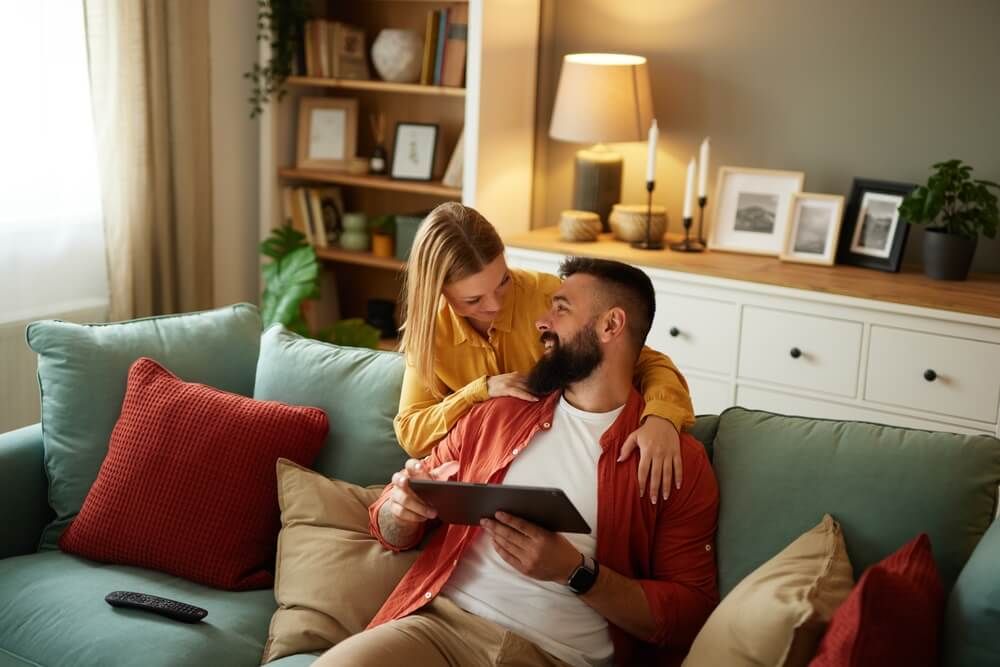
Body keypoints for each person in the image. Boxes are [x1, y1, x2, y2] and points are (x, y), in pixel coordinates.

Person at [314, 257, 720, 667]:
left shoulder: (671, 459)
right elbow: (387, 522)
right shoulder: (498, 413)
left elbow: (689, 614)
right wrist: (401, 511)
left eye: (561, 309)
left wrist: (575, 572)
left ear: (611, 325)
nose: (542, 321)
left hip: (556, 656)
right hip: (438, 630)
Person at [395, 202, 695, 502]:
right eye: (474, 300)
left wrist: (662, 418)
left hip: (568, 467)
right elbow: (412, 434)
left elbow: (648, 362)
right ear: (438, 291)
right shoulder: (429, 332)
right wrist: (480, 391)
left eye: (503, 282)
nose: (495, 305)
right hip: (483, 480)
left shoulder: (550, 298)